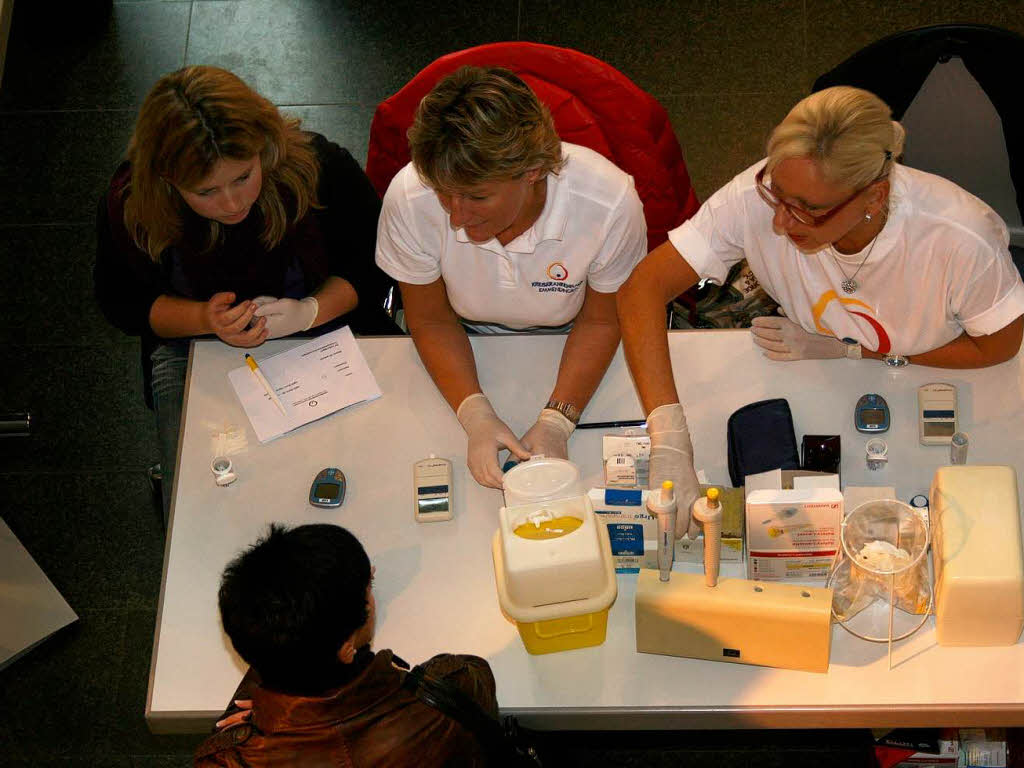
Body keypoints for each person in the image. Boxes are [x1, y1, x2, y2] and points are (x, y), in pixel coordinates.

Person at [617, 85, 1024, 536]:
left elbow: (999, 347)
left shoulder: (958, 239)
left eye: (809, 210)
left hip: (927, 371)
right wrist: (669, 436)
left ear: (874, 196)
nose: (780, 223)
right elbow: (642, 289)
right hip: (821, 372)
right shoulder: (757, 199)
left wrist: (855, 351)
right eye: (776, 193)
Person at [94, 66, 397, 523]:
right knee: (208, 514)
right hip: (194, 346)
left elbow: (377, 265)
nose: (233, 204)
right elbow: (123, 302)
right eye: (206, 191)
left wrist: (310, 311)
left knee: (387, 473)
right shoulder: (131, 202)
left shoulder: (320, 165)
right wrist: (204, 319)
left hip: (332, 324)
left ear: (265, 147)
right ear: (167, 181)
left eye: (243, 177)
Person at [375, 66, 647, 488]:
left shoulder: (608, 203)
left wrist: (559, 417)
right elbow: (429, 319)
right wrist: (474, 414)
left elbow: (602, 319)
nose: (456, 216)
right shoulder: (409, 197)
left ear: (533, 170)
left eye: (477, 196)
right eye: (444, 194)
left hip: (572, 339)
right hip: (466, 342)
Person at [193, 523, 497, 766]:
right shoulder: (446, 698)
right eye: (368, 588)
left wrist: (266, 713)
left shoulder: (226, 759)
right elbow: (476, 672)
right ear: (347, 646)